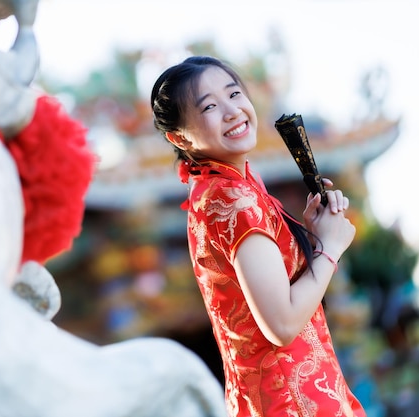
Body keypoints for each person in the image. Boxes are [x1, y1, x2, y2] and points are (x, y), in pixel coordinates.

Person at [150, 55, 366, 416]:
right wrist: (330, 249)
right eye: (209, 107)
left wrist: (312, 238)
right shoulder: (233, 200)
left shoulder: (219, 191)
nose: (232, 111)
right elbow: (281, 324)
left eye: (234, 94)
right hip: (295, 402)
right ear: (179, 137)